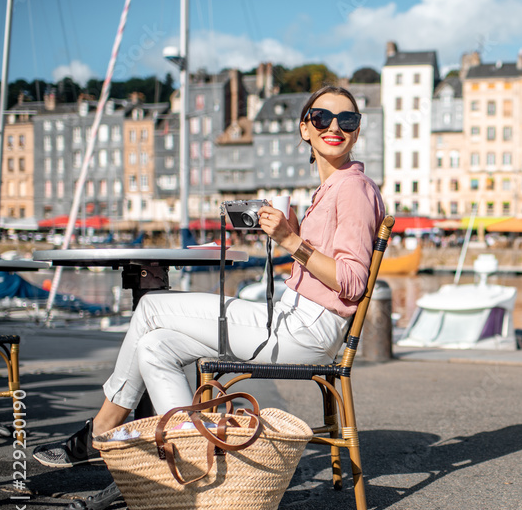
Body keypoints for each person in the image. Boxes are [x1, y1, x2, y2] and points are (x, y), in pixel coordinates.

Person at [34, 85, 385, 468]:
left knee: (151, 306)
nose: (335, 126)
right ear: (305, 128)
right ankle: (191, 456)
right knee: (155, 346)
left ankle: (102, 432)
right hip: (295, 322)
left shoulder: (352, 187)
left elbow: (352, 280)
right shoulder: (331, 187)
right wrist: (294, 232)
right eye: (322, 118)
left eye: (347, 119)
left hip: (305, 330)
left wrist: (289, 240)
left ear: (357, 129)